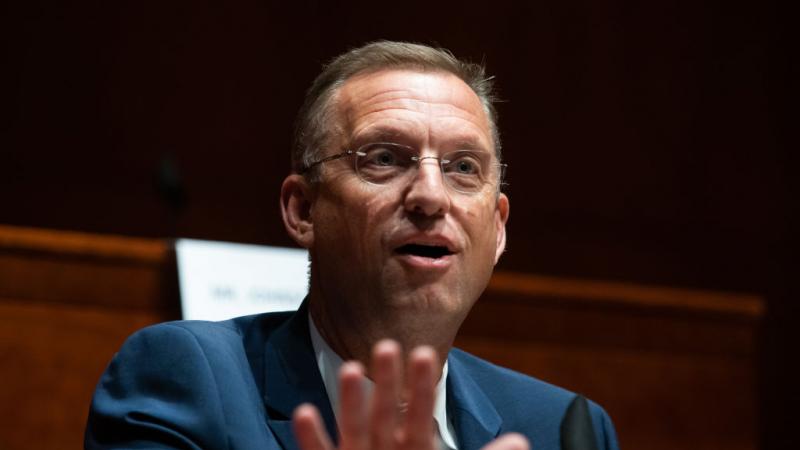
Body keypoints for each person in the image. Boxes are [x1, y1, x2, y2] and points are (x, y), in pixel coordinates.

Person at [85, 41, 620, 450]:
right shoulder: (187, 381)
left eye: (463, 168)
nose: (431, 196)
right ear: (302, 210)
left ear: (498, 229)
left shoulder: (562, 429)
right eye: (384, 159)